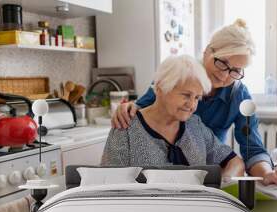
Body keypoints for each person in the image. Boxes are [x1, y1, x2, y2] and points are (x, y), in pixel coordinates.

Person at [111, 19, 277, 186]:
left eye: (235, 71)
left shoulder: (240, 96)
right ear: (207, 51)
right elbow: (144, 110)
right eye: (222, 63)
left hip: (209, 176)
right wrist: (128, 108)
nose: (224, 75)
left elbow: (252, 146)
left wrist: (267, 173)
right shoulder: (178, 75)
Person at [102, 55, 245, 178]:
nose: (192, 105)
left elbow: (235, 162)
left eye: (197, 98)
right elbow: (111, 185)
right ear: (160, 88)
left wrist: (223, 184)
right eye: (186, 95)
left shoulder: (195, 124)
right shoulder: (126, 126)